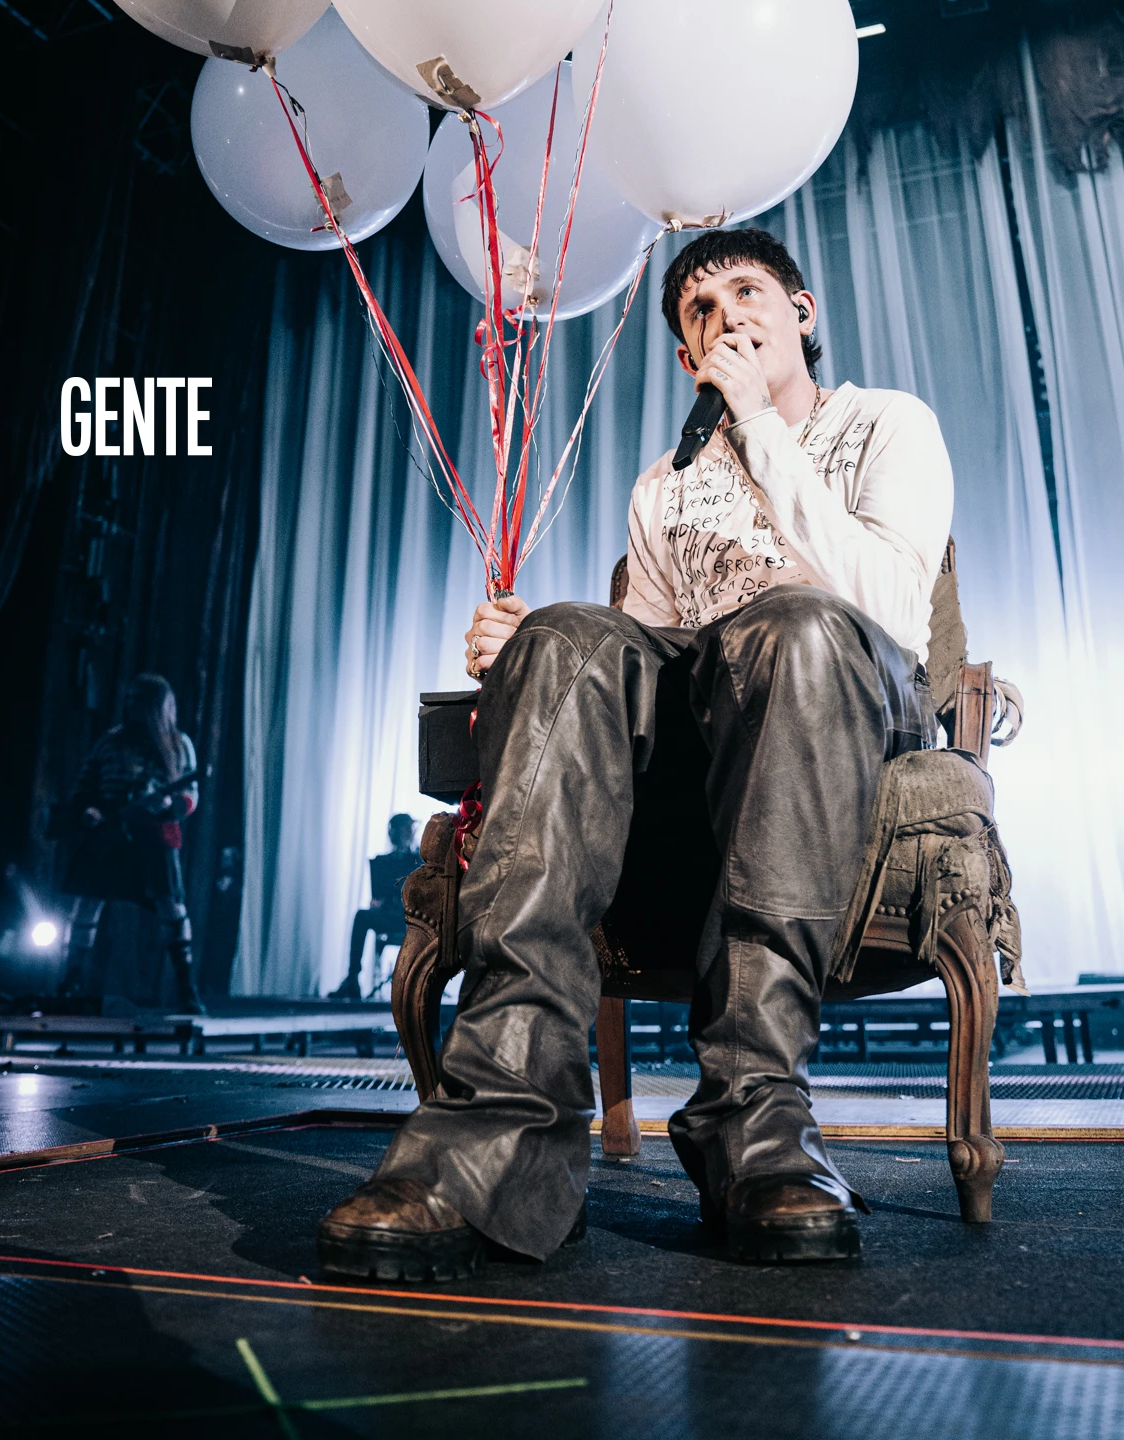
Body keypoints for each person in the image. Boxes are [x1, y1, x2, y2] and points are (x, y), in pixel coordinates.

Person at [317, 229, 953, 1281]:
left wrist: (760, 427)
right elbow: (657, 651)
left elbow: (887, 604)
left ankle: (755, 1119)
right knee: (563, 635)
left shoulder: (886, 422)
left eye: (747, 291)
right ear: (685, 354)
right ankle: (499, 1132)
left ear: (799, 313)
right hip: (718, 717)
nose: (726, 315)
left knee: (794, 625)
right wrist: (529, 656)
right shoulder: (666, 482)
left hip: (847, 695)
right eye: (701, 310)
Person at [59, 673, 204, 1015]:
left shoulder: (178, 744)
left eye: (139, 700)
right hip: (110, 831)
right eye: (130, 699)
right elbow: (85, 786)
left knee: (172, 907)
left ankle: (186, 986)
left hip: (154, 835)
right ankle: (71, 981)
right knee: (87, 906)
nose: (131, 706)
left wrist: (168, 805)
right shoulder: (110, 742)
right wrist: (89, 811)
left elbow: (190, 795)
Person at [328, 814, 422, 1001]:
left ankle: (416, 986)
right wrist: (381, 903)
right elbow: (380, 897)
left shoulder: (418, 860)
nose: (408, 832)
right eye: (405, 828)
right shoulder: (383, 862)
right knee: (361, 916)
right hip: (394, 917)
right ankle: (353, 978)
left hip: (414, 920)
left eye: (409, 829)